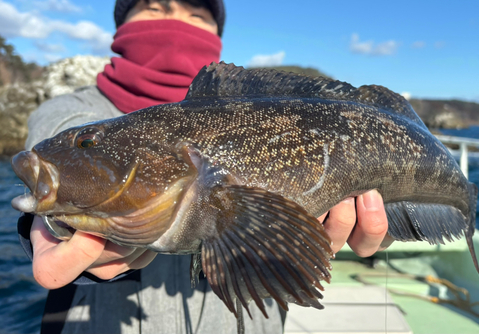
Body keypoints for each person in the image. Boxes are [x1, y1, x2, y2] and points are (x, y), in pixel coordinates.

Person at [18, 0, 392, 333]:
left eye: (196, 12)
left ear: (218, 34)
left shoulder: (260, 109)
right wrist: (54, 224)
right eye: (154, 7)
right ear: (121, 23)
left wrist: (394, 216)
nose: (175, 20)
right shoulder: (69, 110)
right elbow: (57, 134)